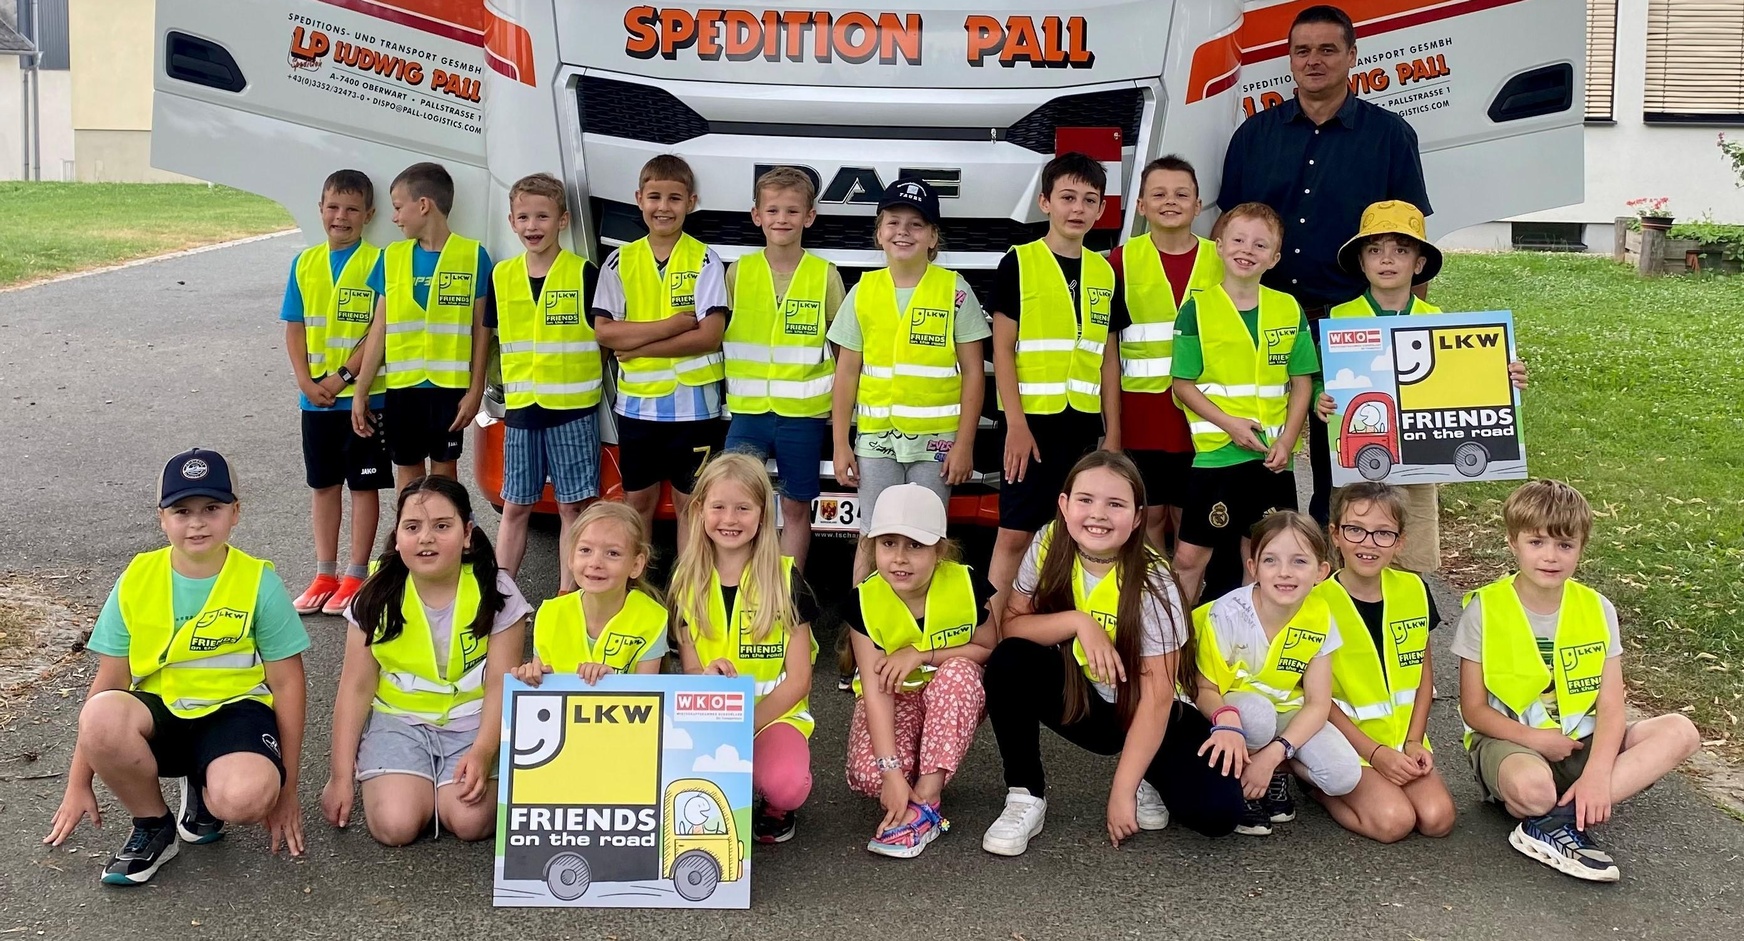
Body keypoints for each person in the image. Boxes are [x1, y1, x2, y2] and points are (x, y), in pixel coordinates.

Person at [45, 449, 309, 884]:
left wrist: (288, 787)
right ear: (161, 519)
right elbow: (109, 680)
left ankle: (207, 788)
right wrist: (78, 782)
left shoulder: (259, 582)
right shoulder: (137, 576)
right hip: (162, 714)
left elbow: (288, 683)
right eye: (182, 511)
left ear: (236, 512)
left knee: (245, 798)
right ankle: (153, 824)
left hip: (234, 710)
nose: (197, 522)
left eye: (212, 508)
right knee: (100, 717)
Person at [1217, 3, 1432, 526]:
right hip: (1269, 317)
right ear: (1289, 59)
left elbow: (1413, 240)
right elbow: (1227, 234)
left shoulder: (1390, 136)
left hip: (1351, 321)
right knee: (1263, 442)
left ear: (1352, 56)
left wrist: (1414, 332)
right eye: (1302, 50)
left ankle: (1343, 562)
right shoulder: (1254, 136)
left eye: (1328, 49)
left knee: (1350, 452)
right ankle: (1271, 560)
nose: (1314, 60)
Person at [982, 451, 1243, 857]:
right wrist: (1078, 623)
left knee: (1218, 815)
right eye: (1085, 500)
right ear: (1064, 505)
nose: (1098, 514)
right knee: (1009, 660)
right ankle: (1025, 794)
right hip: (1083, 698)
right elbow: (1012, 623)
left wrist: (1121, 790)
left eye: (1115, 504)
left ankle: (1144, 777)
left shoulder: (1155, 580)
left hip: (1145, 707)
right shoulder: (1049, 541)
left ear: (1138, 516)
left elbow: (1157, 697)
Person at [1454, 480, 1699, 882]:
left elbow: (1611, 708)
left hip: (1578, 740)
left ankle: (1556, 821)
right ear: (1512, 542)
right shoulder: (1484, 609)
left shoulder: (1597, 608)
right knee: (1533, 790)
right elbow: (1473, 710)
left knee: (1680, 731)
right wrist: (1536, 740)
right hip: (1513, 742)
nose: (1550, 557)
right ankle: (1555, 812)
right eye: (1537, 543)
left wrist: (1598, 775)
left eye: (1565, 545)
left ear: (1582, 547)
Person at [1314, 200, 1529, 574]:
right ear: (1362, 262)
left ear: (1418, 264)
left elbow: (1463, 385)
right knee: (1353, 559)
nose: (1387, 259)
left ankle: (1411, 622)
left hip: (1419, 470)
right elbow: (1320, 379)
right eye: (1375, 250)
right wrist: (1321, 398)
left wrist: (1504, 379)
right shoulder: (1339, 318)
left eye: (1401, 250)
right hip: (1359, 473)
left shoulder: (1437, 321)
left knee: (1412, 562)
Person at [321, 476, 530, 846]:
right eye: (412, 527)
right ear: (398, 537)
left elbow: (501, 682)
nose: (426, 537)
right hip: (399, 722)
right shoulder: (375, 594)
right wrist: (339, 776)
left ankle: (437, 788)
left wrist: (483, 752)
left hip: (474, 724)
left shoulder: (496, 590)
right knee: (394, 826)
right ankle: (416, 785)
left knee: (470, 821)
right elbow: (355, 688)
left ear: (467, 535)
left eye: (442, 526)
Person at [829, 178, 987, 582]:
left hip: (935, 444)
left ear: (934, 237)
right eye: (893, 222)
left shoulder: (955, 290)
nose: (903, 232)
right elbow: (846, 372)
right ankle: (863, 635)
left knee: (929, 536)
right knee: (872, 535)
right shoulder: (863, 291)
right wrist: (841, 443)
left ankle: (930, 629)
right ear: (879, 233)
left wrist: (965, 444)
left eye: (917, 225)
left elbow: (974, 372)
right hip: (876, 441)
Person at [988, 152, 1126, 604]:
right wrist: (1016, 425)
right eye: (1067, 197)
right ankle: (995, 632)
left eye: (1089, 200)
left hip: (1083, 427)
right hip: (1031, 425)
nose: (1077, 209)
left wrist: (1114, 433)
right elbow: (1002, 349)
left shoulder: (1105, 271)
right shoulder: (1019, 263)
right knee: (1015, 534)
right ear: (1045, 202)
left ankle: (1054, 625)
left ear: (1100, 210)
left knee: (1074, 533)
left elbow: (1108, 358)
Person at [1169, 203, 1318, 605]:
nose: (1247, 250)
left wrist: (1287, 441)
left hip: (1272, 458)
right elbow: (1183, 385)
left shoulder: (1288, 308)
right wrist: (1230, 424)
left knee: (1265, 556)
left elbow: (1301, 382)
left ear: (1274, 257)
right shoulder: (1197, 310)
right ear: (1219, 246)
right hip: (1218, 455)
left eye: (1260, 244)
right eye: (1238, 239)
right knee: (1189, 557)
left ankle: (1254, 646)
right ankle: (1175, 649)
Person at [670, 452, 821, 844]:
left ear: (763, 514)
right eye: (718, 507)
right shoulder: (686, 583)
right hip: (709, 720)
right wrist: (704, 678)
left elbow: (800, 679)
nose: (730, 519)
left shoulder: (786, 580)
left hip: (771, 719)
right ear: (700, 511)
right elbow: (689, 671)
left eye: (743, 508)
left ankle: (775, 804)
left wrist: (747, 725)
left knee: (787, 784)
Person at [842, 484, 996, 858]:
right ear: (871, 544)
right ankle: (908, 779)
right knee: (869, 775)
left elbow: (988, 650)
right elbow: (876, 691)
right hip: (899, 699)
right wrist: (892, 773)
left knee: (959, 672)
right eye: (888, 543)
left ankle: (928, 796)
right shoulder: (863, 600)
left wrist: (922, 654)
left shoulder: (966, 583)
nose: (900, 558)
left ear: (939, 549)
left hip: (950, 695)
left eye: (915, 545)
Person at [1193, 511, 1361, 836]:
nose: (1284, 572)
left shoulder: (1319, 615)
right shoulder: (1227, 615)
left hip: (1283, 713)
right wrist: (1227, 722)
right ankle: (1241, 781)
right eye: (1271, 560)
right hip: (1226, 712)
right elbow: (1204, 687)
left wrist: (1274, 755)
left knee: (1343, 776)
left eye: (1300, 561)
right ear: (1253, 567)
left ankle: (1274, 771)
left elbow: (1317, 704)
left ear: (1321, 572)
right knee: (1257, 715)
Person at [1310, 482, 1455, 842]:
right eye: (1355, 530)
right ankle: (1316, 785)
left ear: (1400, 542)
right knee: (1394, 823)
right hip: (1347, 740)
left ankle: (1385, 778)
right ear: (1335, 535)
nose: (1368, 543)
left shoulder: (1413, 590)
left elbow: (1423, 673)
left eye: (1383, 534)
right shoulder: (1316, 604)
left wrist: (1416, 741)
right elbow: (1316, 698)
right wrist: (1373, 754)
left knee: (1438, 820)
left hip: (1401, 740)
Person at [592, 154, 728, 529]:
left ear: (691, 202)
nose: (663, 207)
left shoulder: (706, 260)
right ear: (639, 199)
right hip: (638, 409)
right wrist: (671, 325)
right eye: (654, 197)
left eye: (674, 198)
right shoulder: (619, 262)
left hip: (696, 410)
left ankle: (689, 590)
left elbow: (709, 336)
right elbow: (605, 331)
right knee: (637, 504)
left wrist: (636, 346)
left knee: (692, 507)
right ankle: (640, 585)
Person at [722, 166, 847, 572]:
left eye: (792, 211)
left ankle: (786, 591)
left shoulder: (825, 275)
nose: (782, 220)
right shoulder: (737, 272)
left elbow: (845, 348)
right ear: (756, 214)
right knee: (735, 506)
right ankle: (738, 585)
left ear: (809, 217)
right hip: (748, 414)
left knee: (795, 507)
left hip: (803, 418)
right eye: (772, 210)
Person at [282, 169, 391, 617]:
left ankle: (355, 574)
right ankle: (325, 573)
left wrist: (342, 378)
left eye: (351, 209)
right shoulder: (304, 263)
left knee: (363, 487)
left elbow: (379, 333)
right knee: (323, 485)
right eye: (332, 207)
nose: (340, 216)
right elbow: (294, 327)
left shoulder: (380, 261)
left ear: (369, 214)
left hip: (365, 398)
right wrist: (307, 383)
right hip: (316, 401)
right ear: (320, 210)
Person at [489, 172, 603, 594]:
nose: (532, 226)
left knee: (572, 507)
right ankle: (499, 596)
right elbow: (490, 340)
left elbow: (604, 338)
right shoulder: (501, 276)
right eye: (523, 217)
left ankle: (566, 596)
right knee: (515, 505)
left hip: (573, 412)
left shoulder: (583, 273)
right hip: (521, 411)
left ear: (563, 220)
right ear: (511, 222)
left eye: (542, 216)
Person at [350, 162, 493, 490]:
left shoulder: (473, 256)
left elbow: (481, 332)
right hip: (402, 390)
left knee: (445, 479)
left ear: (424, 205)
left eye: (399, 208)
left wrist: (475, 391)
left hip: (450, 391)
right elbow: (379, 330)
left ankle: (449, 540)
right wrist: (361, 390)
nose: (395, 217)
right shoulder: (392, 256)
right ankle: (408, 538)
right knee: (408, 478)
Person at [1114, 155, 1223, 547]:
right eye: (1158, 194)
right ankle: (1154, 601)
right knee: (1149, 517)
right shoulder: (1118, 262)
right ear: (1141, 205)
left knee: (1192, 517)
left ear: (1198, 205)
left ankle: (1191, 601)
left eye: (1182, 194)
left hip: (1206, 414)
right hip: (1142, 414)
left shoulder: (1224, 260)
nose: (1170, 201)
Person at [512, 501, 668, 685]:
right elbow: (543, 686)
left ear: (636, 565)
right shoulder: (550, 614)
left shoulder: (652, 617)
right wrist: (531, 675)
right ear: (570, 557)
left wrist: (612, 683)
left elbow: (649, 696)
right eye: (585, 550)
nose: (595, 563)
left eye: (612, 553)